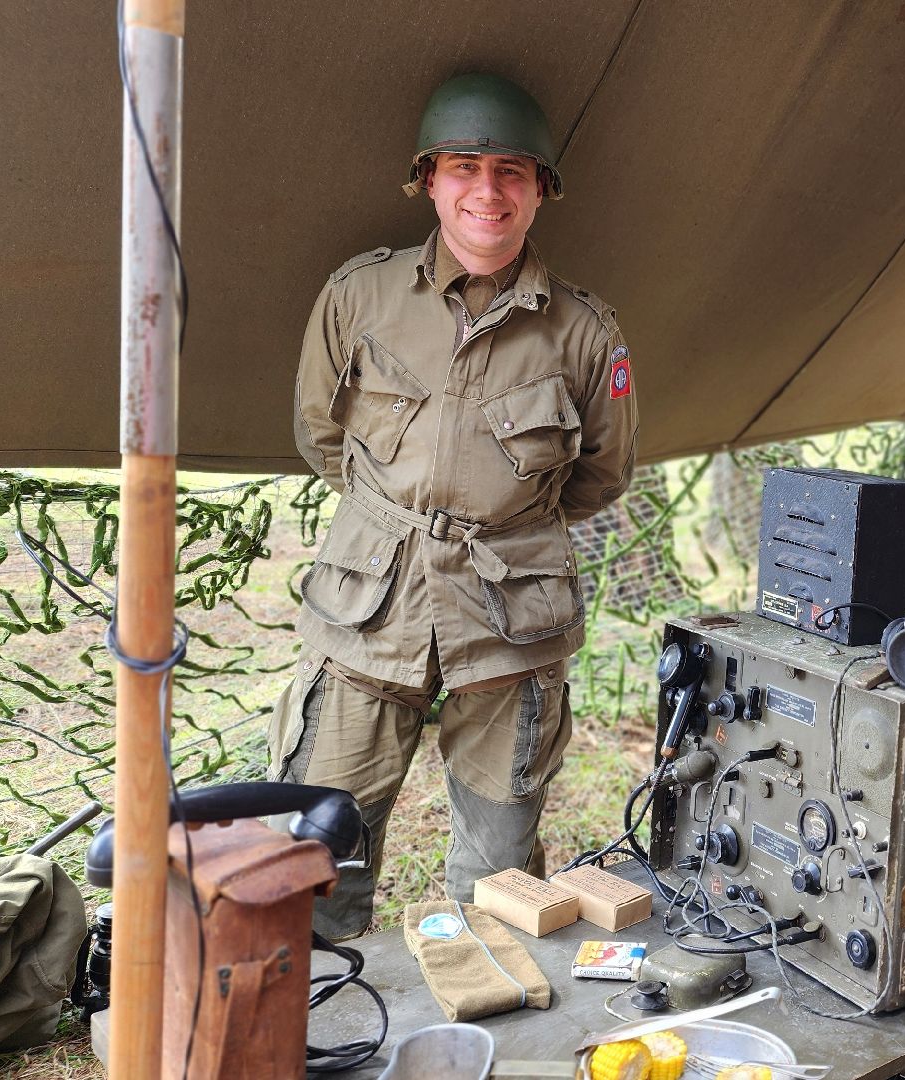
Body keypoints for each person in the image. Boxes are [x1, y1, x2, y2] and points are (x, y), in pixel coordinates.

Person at [273, 72, 639, 939]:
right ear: (428, 179)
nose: (487, 192)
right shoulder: (358, 297)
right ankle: (318, 1028)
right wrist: (397, 523)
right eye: (464, 167)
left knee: (503, 871)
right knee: (318, 848)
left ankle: (490, 1037)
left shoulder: (587, 332)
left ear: (541, 190)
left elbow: (602, 472)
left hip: (510, 617)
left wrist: (502, 524)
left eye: (512, 171)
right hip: (370, 606)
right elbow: (320, 434)